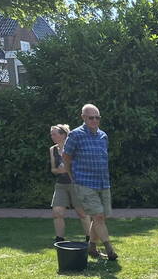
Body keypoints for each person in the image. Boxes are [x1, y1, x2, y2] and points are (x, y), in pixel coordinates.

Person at [62, 103, 117, 261]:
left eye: (97, 118)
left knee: (100, 217)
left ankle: (91, 248)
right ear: (83, 118)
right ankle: (109, 249)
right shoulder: (75, 135)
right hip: (84, 182)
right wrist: (72, 176)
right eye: (91, 118)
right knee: (98, 216)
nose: (94, 120)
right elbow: (66, 156)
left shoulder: (103, 135)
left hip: (103, 182)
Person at [49, 123, 91, 245]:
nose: (52, 136)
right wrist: (59, 170)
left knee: (82, 213)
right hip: (61, 185)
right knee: (57, 212)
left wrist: (68, 168)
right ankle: (59, 240)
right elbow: (53, 169)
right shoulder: (52, 149)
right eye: (51, 134)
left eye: (54, 134)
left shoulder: (74, 147)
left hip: (76, 184)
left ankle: (90, 240)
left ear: (63, 135)